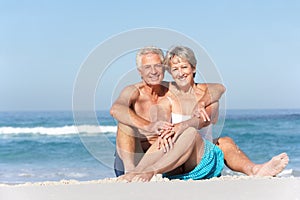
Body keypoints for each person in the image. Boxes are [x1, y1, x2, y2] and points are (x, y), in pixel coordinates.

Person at [110, 46, 289, 181]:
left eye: (184, 67)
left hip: (191, 154)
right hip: (164, 155)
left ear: (194, 68)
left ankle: (256, 170)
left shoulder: (197, 93)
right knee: (127, 123)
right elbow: (116, 109)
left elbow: (218, 89)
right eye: (175, 69)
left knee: (222, 141)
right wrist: (154, 128)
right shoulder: (157, 92)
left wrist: (200, 105)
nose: (180, 73)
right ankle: (133, 173)